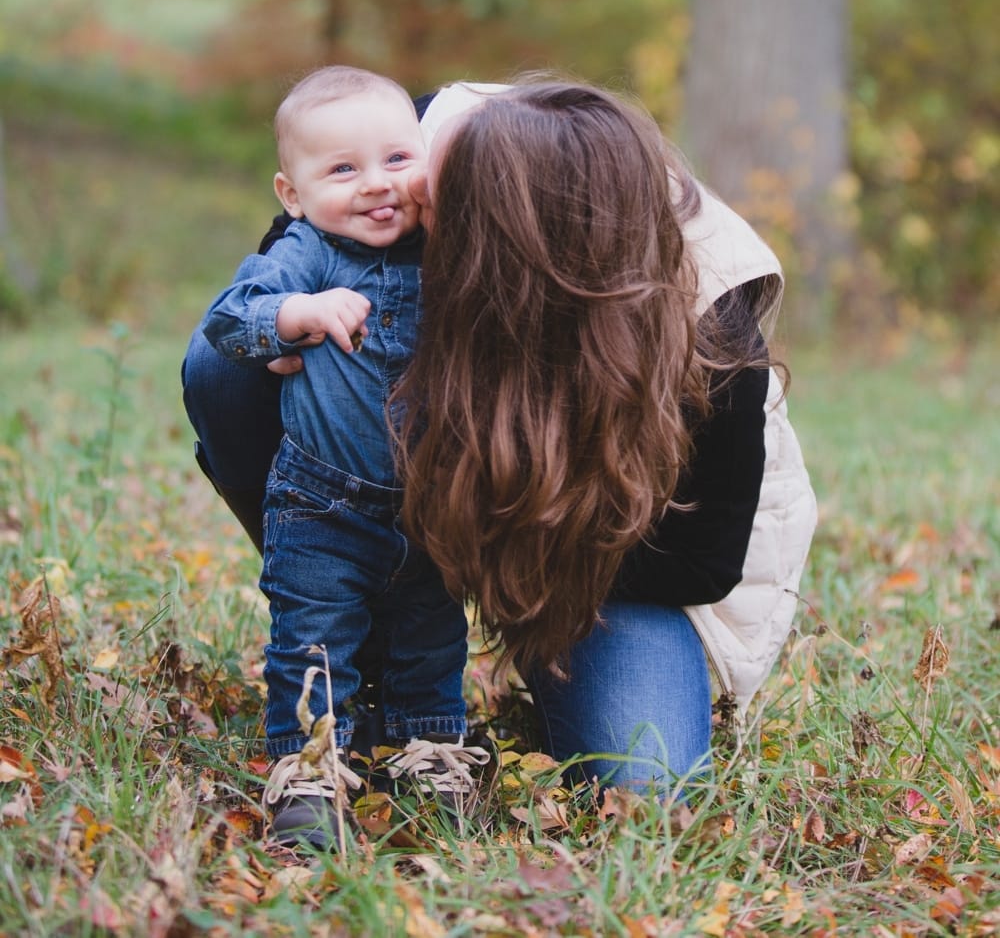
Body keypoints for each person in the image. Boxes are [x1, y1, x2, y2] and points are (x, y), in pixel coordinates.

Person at [183, 76, 815, 808]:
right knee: (220, 365)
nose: (404, 201)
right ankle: (351, 603)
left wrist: (491, 529)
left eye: (431, 214)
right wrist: (295, 318)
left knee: (649, 780)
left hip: (603, 543)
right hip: (410, 486)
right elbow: (304, 226)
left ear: (516, 257)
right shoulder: (427, 141)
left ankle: (439, 607)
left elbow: (702, 560)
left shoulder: (709, 308)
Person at [198, 66, 487, 851]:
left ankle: (429, 753)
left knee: (432, 637)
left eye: (397, 159)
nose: (376, 186)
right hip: (323, 503)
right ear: (292, 193)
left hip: (431, 500)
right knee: (314, 639)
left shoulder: (446, 248)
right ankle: (309, 772)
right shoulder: (309, 253)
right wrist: (300, 315)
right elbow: (229, 320)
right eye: (342, 170)